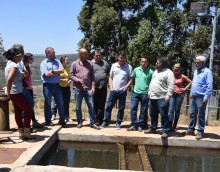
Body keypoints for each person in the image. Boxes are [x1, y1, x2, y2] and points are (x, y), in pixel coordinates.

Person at [4, 48, 34, 140]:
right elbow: (9, 80)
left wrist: (22, 76)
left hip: (14, 92)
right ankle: (26, 132)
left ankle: (21, 133)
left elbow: (15, 78)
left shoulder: (9, 64)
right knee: (28, 110)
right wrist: (8, 93)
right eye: (19, 55)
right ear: (15, 56)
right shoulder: (14, 66)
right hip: (16, 92)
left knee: (18, 111)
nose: (21, 57)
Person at [100, 51, 133, 130]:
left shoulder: (129, 67)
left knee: (121, 108)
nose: (122, 59)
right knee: (108, 106)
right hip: (113, 90)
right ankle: (106, 122)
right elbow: (110, 77)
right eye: (120, 58)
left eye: (123, 58)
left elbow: (131, 79)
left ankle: (118, 123)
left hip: (122, 91)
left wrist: (125, 88)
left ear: (125, 58)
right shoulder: (114, 66)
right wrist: (111, 87)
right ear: (118, 57)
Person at [144, 56, 174, 138]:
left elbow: (171, 86)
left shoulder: (169, 73)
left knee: (163, 115)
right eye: (156, 62)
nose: (156, 64)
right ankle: (153, 128)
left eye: (158, 62)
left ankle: (165, 131)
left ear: (163, 63)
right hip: (153, 97)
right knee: (152, 114)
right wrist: (149, 91)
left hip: (162, 97)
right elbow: (152, 82)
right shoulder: (155, 72)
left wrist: (168, 95)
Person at [69, 48, 99, 130]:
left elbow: (92, 76)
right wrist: (77, 80)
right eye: (85, 54)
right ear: (80, 54)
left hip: (88, 89)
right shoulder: (74, 64)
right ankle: (79, 122)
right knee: (78, 106)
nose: (86, 55)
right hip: (78, 89)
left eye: (86, 54)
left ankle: (92, 123)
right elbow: (71, 75)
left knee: (91, 106)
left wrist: (93, 87)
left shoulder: (90, 63)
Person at [185, 55, 213, 140]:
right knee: (192, 113)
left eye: (198, 62)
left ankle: (200, 131)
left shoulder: (207, 72)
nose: (196, 64)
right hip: (194, 96)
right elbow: (194, 83)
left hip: (201, 97)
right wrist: (191, 93)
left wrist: (206, 97)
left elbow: (210, 86)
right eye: (196, 62)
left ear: (202, 62)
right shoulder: (196, 71)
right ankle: (191, 129)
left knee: (201, 114)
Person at [40, 47, 66, 126]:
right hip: (47, 86)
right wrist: (56, 72)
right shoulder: (43, 63)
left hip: (57, 86)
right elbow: (47, 75)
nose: (54, 53)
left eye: (54, 52)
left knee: (60, 103)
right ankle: (48, 121)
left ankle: (62, 120)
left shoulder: (57, 61)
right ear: (48, 53)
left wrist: (53, 71)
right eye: (53, 52)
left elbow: (62, 70)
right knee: (48, 103)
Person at [127, 57, 153, 132]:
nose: (143, 63)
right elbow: (132, 78)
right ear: (140, 62)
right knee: (133, 108)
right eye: (142, 62)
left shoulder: (150, 72)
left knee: (143, 110)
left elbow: (152, 82)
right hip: (135, 93)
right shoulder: (136, 70)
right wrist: (127, 87)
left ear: (147, 63)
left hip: (145, 94)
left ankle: (140, 125)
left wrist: (150, 91)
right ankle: (134, 124)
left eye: (145, 62)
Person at [23, 53, 44, 128]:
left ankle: (34, 121)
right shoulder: (23, 67)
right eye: (31, 59)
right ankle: (25, 124)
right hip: (25, 89)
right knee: (28, 106)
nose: (32, 60)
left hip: (29, 88)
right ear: (27, 59)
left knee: (31, 106)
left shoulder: (28, 66)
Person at [168, 63, 191, 131]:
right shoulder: (170, 75)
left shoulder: (182, 76)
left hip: (179, 95)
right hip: (172, 94)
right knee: (171, 109)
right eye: (174, 70)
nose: (176, 72)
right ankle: (169, 125)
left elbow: (190, 82)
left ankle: (174, 125)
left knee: (177, 110)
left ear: (179, 70)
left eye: (177, 70)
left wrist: (184, 89)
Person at [92, 50, 110, 125]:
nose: (98, 57)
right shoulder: (91, 63)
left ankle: (101, 120)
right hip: (93, 88)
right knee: (94, 105)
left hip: (103, 88)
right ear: (94, 56)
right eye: (96, 55)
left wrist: (107, 82)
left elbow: (109, 74)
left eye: (99, 55)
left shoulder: (105, 63)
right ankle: (95, 120)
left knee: (101, 105)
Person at [51, 56, 72, 121]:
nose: (68, 60)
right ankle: (53, 114)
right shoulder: (59, 68)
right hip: (59, 87)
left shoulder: (68, 68)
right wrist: (63, 80)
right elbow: (56, 78)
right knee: (56, 102)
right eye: (67, 59)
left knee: (66, 101)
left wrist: (69, 81)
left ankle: (67, 116)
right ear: (63, 61)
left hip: (66, 87)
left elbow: (70, 76)